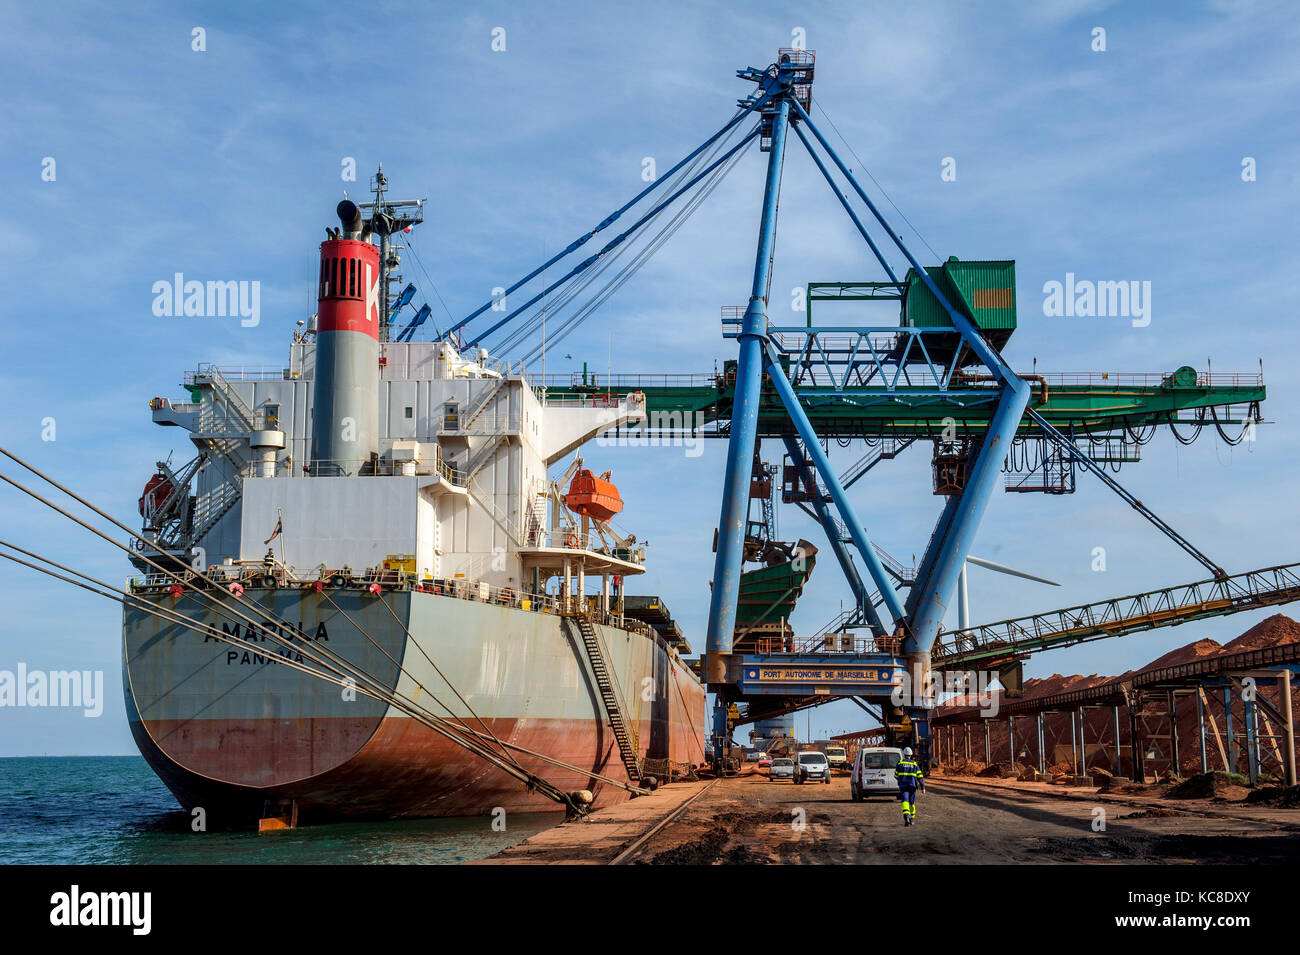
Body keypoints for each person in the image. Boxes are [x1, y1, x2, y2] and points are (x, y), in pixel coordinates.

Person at [895, 747, 925, 826]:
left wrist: (901, 779)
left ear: (904, 755)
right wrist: (923, 787)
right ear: (911, 755)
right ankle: (912, 819)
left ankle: (906, 817)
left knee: (905, 801)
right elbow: (920, 776)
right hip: (912, 786)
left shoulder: (900, 763)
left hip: (903, 786)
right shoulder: (914, 764)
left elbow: (895, 775)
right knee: (912, 803)